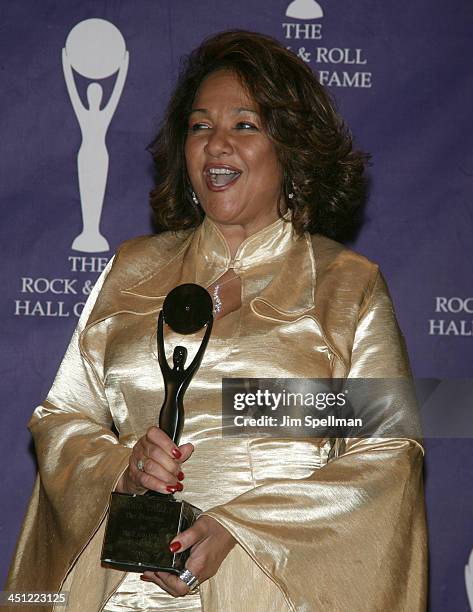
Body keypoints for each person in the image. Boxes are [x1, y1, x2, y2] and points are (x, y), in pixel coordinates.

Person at [7, 30, 427, 611]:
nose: (216, 145)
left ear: (293, 148)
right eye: (200, 126)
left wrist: (241, 529)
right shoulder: (132, 268)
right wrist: (121, 469)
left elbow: (386, 455)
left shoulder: (345, 285)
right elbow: (63, 416)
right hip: (119, 587)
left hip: (267, 584)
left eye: (245, 126)